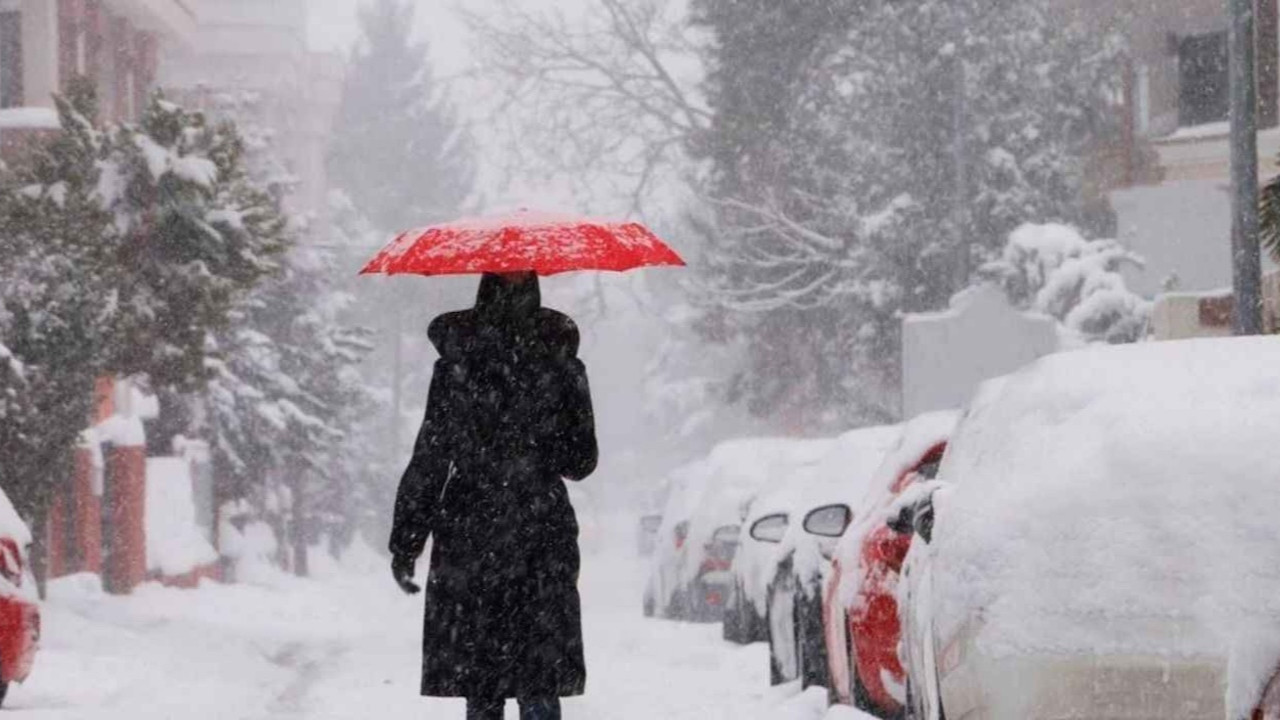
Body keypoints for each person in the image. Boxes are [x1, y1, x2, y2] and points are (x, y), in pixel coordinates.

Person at [389, 272, 598, 720]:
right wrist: (544, 434)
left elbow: (431, 457)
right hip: (540, 530)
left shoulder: (457, 364)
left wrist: (407, 543)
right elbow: (581, 462)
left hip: (471, 529)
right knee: (539, 675)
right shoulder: (561, 363)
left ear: (483, 292)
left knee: (481, 676)